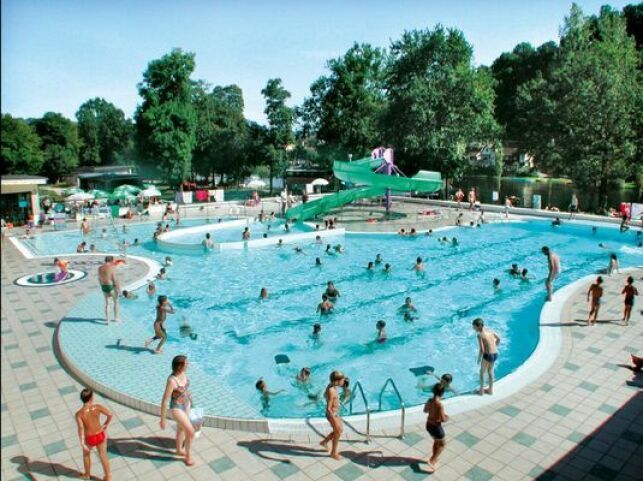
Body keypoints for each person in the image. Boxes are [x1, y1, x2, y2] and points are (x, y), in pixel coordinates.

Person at [160, 355, 196, 466]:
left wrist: (190, 399)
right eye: (186, 364)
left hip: (186, 404)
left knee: (181, 428)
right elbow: (165, 400)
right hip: (176, 407)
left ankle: (179, 450)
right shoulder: (172, 381)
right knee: (190, 432)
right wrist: (163, 419)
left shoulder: (183, 373)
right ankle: (188, 456)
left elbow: (184, 389)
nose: (188, 365)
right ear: (180, 366)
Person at [75, 388, 112, 481]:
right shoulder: (97, 407)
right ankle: (108, 477)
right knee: (103, 455)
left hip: (89, 438)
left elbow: (81, 429)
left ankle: (87, 475)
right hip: (100, 434)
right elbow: (110, 414)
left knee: (86, 455)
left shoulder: (79, 414)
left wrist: (82, 443)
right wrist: (105, 425)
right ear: (91, 398)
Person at [423, 382, 449, 473]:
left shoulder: (429, 401)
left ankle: (434, 457)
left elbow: (425, 411)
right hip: (436, 427)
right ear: (442, 393)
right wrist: (447, 418)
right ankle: (432, 460)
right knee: (442, 444)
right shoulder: (439, 405)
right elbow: (442, 419)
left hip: (428, 425)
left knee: (436, 441)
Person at [320, 371, 345, 460]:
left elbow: (324, 395)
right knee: (338, 431)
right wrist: (334, 420)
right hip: (332, 414)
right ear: (337, 381)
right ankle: (333, 453)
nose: (343, 381)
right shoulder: (332, 391)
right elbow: (328, 408)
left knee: (338, 431)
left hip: (335, 413)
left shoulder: (331, 386)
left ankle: (324, 442)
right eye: (342, 380)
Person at [473, 318, 500, 395]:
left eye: (474, 326)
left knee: (481, 372)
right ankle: (490, 390)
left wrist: (479, 358)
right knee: (490, 371)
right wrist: (494, 347)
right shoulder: (490, 330)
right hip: (495, 354)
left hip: (488, 355)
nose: (473, 328)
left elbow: (482, 349)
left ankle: (481, 391)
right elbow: (498, 338)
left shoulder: (479, 335)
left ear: (478, 326)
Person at [98, 256, 120, 323]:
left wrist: (102, 286)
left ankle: (107, 320)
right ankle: (116, 318)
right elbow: (115, 279)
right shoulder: (112, 267)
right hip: (111, 286)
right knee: (116, 302)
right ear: (111, 261)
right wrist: (119, 288)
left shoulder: (100, 268)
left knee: (107, 303)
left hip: (104, 286)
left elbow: (99, 278)